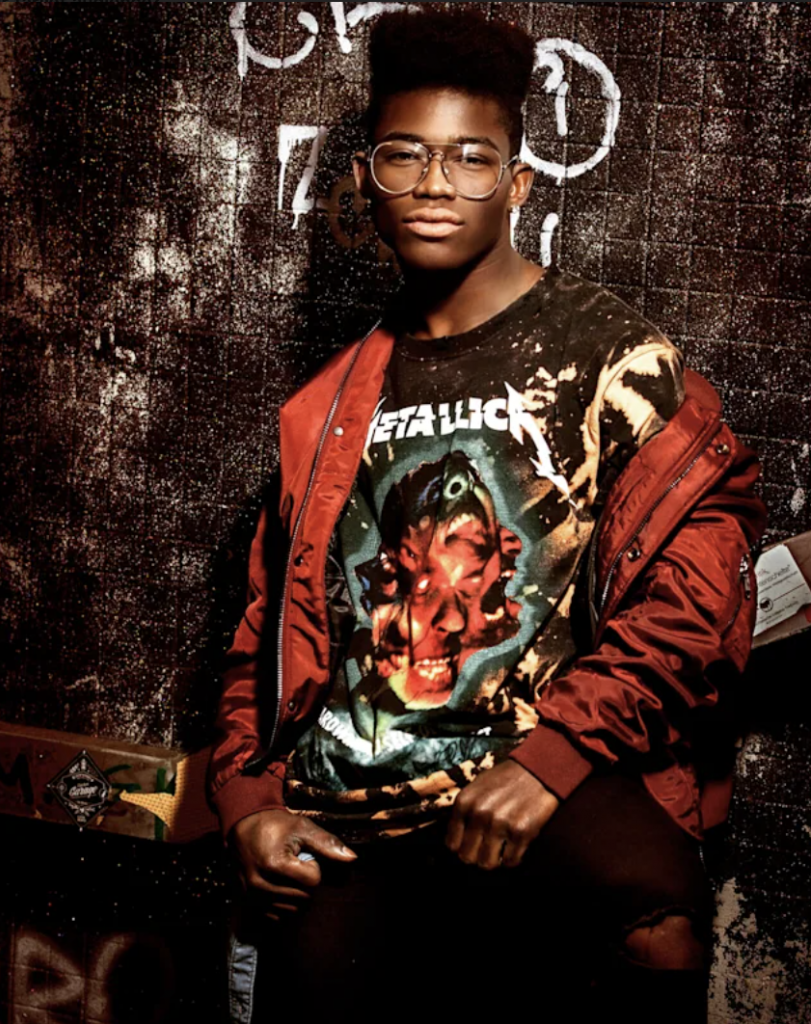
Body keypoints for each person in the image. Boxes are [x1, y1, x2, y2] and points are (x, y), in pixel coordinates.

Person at [208, 9, 766, 1023]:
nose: (435, 184)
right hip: (351, 806)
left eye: (471, 159)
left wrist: (549, 763)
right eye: (405, 155)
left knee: (653, 915)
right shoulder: (324, 409)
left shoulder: (614, 360)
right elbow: (265, 632)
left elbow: (696, 600)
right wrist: (247, 804)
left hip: (533, 774)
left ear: (517, 184)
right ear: (366, 179)